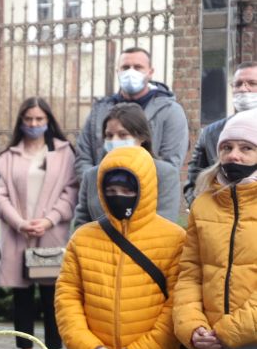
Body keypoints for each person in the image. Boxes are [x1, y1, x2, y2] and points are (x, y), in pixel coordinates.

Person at [57, 146, 184, 349]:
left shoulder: (175, 240)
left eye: (126, 189)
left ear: (145, 188)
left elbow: (176, 307)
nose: (118, 196)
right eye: (110, 188)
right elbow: (68, 301)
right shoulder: (83, 239)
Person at [175, 110, 257, 349]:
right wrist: (192, 326)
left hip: (251, 341)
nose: (234, 156)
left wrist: (227, 331)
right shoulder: (205, 201)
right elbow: (189, 271)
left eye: (246, 148)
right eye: (227, 147)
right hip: (214, 348)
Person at [0, 97, 78, 349]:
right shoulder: (7, 157)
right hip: (18, 235)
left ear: (48, 121)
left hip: (50, 234)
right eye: (29, 119)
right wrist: (19, 222)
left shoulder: (64, 154)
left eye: (39, 119)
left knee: (52, 295)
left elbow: (71, 191)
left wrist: (49, 220)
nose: (34, 124)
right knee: (22, 297)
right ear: (21, 122)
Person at [73, 46, 187, 225]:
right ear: (117, 71)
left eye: (138, 67)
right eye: (125, 67)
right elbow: (83, 156)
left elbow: (171, 160)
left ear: (150, 72)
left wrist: (133, 186)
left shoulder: (170, 111)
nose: (131, 72)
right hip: (102, 198)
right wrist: (101, 183)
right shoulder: (100, 109)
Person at [186, 62, 257, 208]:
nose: (244, 89)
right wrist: (203, 212)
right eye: (238, 84)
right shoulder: (211, 133)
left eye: (252, 83)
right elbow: (194, 182)